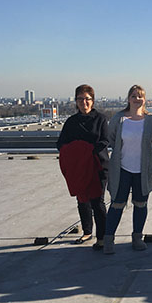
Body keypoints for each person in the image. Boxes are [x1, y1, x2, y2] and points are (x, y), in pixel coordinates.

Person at [103, 85, 152, 254]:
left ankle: (137, 237)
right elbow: (112, 139)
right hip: (122, 169)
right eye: (134, 96)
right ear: (128, 99)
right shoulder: (119, 119)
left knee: (141, 204)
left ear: (145, 99)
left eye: (140, 96)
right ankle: (108, 239)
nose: (137, 99)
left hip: (142, 170)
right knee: (117, 204)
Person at [56, 84, 108, 249]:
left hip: (97, 166)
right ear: (76, 101)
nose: (84, 102)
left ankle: (102, 236)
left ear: (93, 101)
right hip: (79, 167)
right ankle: (87, 231)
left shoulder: (100, 119)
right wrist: (78, 151)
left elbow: (105, 141)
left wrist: (89, 151)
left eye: (87, 99)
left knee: (98, 202)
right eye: (80, 99)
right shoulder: (71, 122)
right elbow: (61, 144)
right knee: (82, 200)